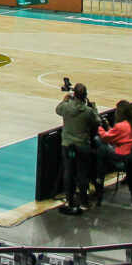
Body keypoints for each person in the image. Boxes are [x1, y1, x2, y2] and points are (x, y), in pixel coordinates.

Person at [56, 83, 99, 214]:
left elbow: (58, 109)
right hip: (82, 146)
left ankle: (69, 200)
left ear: (74, 95)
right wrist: (94, 108)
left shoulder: (66, 107)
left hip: (67, 145)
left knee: (68, 173)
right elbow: (97, 121)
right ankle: (84, 202)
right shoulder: (88, 111)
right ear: (85, 96)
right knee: (82, 175)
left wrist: (65, 100)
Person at [96, 100, 132, 169]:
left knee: (100, 143)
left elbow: (105, 137)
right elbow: (119, 135)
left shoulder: (120, 126)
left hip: (124, 156)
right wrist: (108, 126)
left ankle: (100, 175)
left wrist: (98, 126)